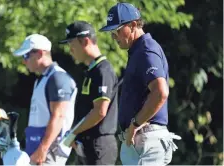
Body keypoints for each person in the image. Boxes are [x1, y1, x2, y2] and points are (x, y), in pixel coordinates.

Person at [99, 2, 181, 165]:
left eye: (116, 31)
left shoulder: (145, 51)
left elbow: (160, 92)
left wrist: (135, 124)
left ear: (133, 25)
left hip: (146, 140)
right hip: (142, 141)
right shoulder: (138, 51)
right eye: (111, 33)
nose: (114, 37)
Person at [59, 21, 118, 165]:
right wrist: (75, 133)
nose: (70, 50)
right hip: (87, 144)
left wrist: (74, 132)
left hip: (100, 146)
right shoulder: (91, 71)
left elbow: (100, 112)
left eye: (72, 44)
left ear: (85, 41)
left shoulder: (102, 71)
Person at [13, 34, 78, 165]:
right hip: (38, 148)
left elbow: (59, 116)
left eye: (26, 56)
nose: (24, 61)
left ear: (40, 53)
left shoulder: (57, 78)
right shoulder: (42, 79)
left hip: (49, 151)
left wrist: (43, 149)